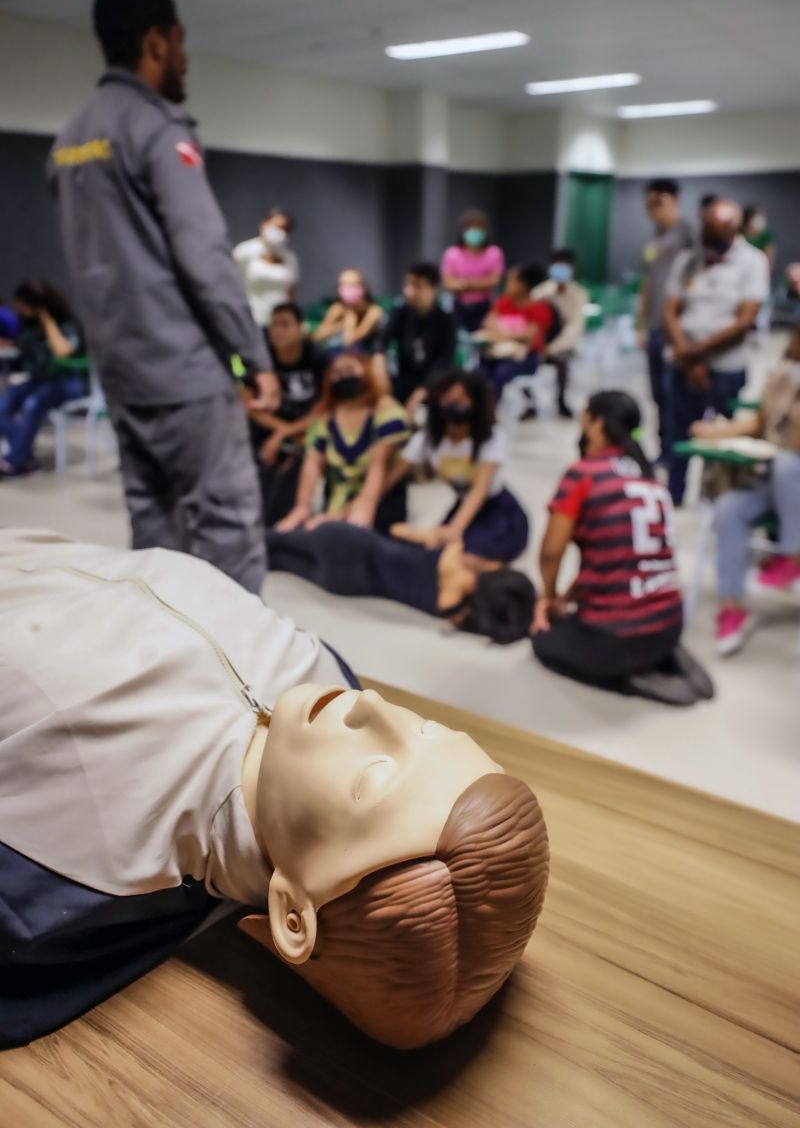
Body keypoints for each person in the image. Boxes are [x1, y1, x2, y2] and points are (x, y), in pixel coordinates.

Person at [0, 528, 547, 1050]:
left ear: (292, 914)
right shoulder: (331, 677)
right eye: (428, 730)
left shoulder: (83, 859)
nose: (371, 706)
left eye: (372, 776)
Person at [49, 0, 279, 593]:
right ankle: (240, 682)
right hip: (186, 377)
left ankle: (166, 665)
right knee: (228, 528)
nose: (184, 58)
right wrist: (254, 357)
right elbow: (204, 257)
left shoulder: (69, 140)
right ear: (155, 42)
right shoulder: (159, 129)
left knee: (153, 528)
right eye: (179, 43)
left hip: (122, 375)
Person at [531, 391, 710, 704]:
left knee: (543, 639)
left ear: (597, 425)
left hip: (618, 640)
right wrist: (568, 597)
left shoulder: (582, 474)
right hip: (672, 622)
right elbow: (621, 560)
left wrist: (548, 599)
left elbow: (550, 552)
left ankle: (630, 678)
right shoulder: (651, 479)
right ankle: (664, 655)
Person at [691, 324, 800, 655]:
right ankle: (732, 605)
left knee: (786, 465)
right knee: (730, 508)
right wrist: (714, 433)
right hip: (776, 481)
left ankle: (792, 556)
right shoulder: (782, 376)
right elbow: (759, 423)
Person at [663, 198, 770, 506]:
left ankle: (714, 498)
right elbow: (670, 310)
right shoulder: (688, 259)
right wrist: (687, 356)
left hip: (725, 366)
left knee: (720, 435)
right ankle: (675, 493)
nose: (710, 234)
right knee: (678, 431)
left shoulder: (752, 262)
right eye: (707, 227)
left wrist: (696, 353)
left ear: (734, 228)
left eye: (718, 229)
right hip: (683, 363)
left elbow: (744, 321)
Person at [267, 522, 535, 643]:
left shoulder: (456, 560)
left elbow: (397, 529)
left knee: (273, 540)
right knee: (277, 562)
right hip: (347, 584)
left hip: (350, 544)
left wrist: (443, 537)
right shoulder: (455, 609)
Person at [388, 369, 529, 563]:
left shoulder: (492, 438)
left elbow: (479, 491)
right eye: (448, 397)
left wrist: (455, 529)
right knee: (426, 546)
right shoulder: (427, 440)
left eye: (463, 398)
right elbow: (393, 475)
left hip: (497, 510)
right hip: (462, 507)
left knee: (463, 554)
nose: (454, 403)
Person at [276, 350, 410, 534]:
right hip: (335, 501)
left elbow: (379, 465)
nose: (342, 376)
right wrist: (302, 506)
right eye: (336, 373)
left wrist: (362, 506)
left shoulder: (389, 412)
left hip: (380, 502)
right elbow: (312, 462)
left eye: (349, 369)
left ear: (366, 370)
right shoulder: (323, 417)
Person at [246, 302, 328, 525]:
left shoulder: (317, 357)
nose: (277, 331)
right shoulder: (260, 358)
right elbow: (247, 404)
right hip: (268, 427)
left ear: (300, 328)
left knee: (306, 454)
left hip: (306, 427)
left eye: (285, 325)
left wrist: (286, 433)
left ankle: (296, 513)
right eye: (273, 325)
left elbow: (326, 407)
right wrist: (280, 432)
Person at [0, 281, 86, 477]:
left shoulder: (66, 324)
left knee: (32, 405)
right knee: (3, 405)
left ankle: (14, 462)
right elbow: (23, 355)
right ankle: (25, 458)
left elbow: (62, 351)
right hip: (37, 381)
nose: (18, 308)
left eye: (22, 304)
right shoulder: (27, 327)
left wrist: (46, 319)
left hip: (67, 382)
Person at [637, 179, 695, 457]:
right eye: (648, 204)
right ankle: (663, 449)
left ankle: (675, 451)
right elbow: (647, 282)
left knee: (675, 395)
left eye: (658, 202)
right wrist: (641, 323)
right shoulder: (654, 237)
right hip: (654, 327)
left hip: (677, 328)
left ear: (674, 200)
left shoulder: (687, 232)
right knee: (658, 394)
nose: (652, 210)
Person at [380, 261, 456, 410]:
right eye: (407, 285)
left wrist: (422, 392)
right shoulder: (401, 313)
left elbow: (444, 363)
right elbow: (382, 341)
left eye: (417, 286)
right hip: (404, 381)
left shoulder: (446, 320)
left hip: (434, 385)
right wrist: (379, 362)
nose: (409, 291)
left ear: (433, 288)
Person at [478, 264, 556, 405]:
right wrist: (510, 334)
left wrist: (500, 332)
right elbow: (487, 323)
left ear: (523, 285)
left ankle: (492, 411)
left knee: (500, 374)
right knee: (478, 373)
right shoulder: (504, 302)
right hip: (498, 355)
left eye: (512, 281)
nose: (508, 285)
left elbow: (528, 338)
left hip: (527, 359)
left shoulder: (539, 308)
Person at [531, 248, 588, 417]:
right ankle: (530, 403)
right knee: (523, 360)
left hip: (562, 345)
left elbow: (574, 329)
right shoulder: (539, 293)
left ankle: (561, 400)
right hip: (538, 343)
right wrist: (539, 345)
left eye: (566, 265)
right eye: (558, 265)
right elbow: (533, 322)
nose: (562, 269)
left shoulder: (579, 294)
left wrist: (552, 348)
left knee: (562, 361)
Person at [441, 210, 505, 334]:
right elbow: (448, 283)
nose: (474, 232)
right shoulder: (452, 253)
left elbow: (494, 281)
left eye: (478, 228)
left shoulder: (494, 252)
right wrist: (480, 283)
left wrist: (464, 284)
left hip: (485, 307)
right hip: (458, 307)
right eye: (470, 228)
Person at [233, 208, 300, 326]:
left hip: (278, 326)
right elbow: (229, 285)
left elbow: (291, 293)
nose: (280, 232)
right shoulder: (244, 251)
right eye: (276, 226)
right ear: (264, 224)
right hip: (250, 321)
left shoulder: (290, 259)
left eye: (284, 229)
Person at [314, 268, 384, 354]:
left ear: (364, 287)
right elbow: (317, 336)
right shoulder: (337, 308)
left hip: (368, 356)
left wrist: (350, 318)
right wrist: (339, 326)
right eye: (343, 285)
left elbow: (349, 340)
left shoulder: (374, 311)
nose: (348, 289)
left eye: (352, 285)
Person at [742, 205, 776, 272]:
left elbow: (769, 258)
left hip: (757, 270)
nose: (760, 220)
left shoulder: (766, 236)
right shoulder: (740, 233)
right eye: (757, 216)